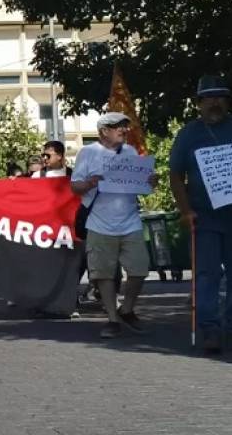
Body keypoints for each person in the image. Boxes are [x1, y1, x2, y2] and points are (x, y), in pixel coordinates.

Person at [169, 76, 232, 353]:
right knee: (206, 275)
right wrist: (186, 210)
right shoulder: (188, 134)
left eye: (220, 97)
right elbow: (175, 175)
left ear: (228, 101)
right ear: (199, 103)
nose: (215, 102)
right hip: (204, 217)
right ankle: (210, 329)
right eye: (209, 97)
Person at [71, 112, 158, 339]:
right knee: (104, 275)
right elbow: (75, 187)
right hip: (99, 223)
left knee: (140, 269)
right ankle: (112, 319)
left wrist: (150, 181)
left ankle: (126, 309)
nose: (123, 130)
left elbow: (139, 184)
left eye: (124, 126)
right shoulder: (88, 153)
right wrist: (90, 182)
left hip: (130, 221)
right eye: (117, 126)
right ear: (104, 131)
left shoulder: (130, 152)